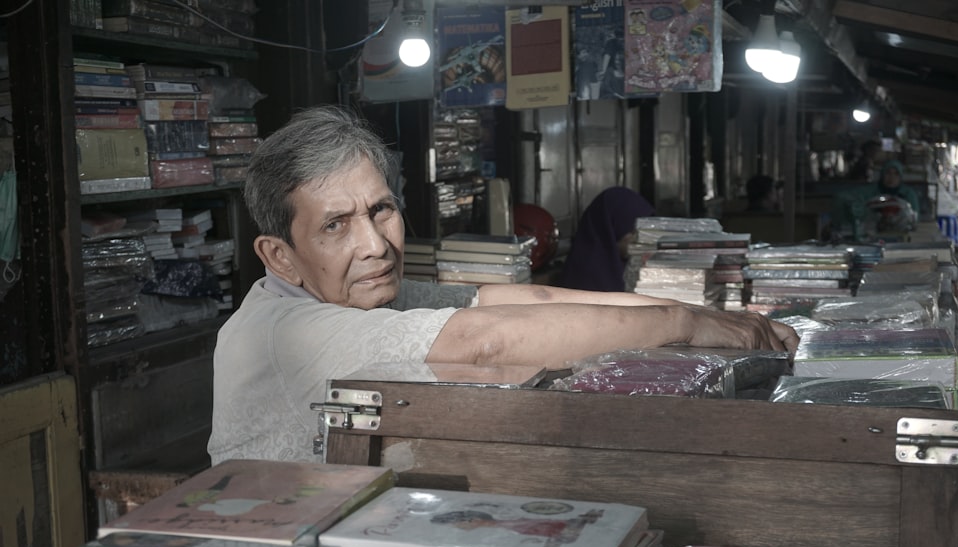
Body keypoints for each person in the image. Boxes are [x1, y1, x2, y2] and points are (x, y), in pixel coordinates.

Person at [207, 105, 798, 465]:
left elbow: (522, 298)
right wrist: (687, 325)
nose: (376, 244)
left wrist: (686, 309)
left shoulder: (362, 290)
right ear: (279, 256)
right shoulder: (293, 329)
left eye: (381, 210)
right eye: (337, 225)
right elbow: (484, 341)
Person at [558, 187, 654, 292]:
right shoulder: (588, 277)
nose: (641, 242)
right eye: (634, 233)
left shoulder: (624, 263)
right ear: (612, 230)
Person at [832, 159, 920, 241]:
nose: (891, 177)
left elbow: (914, 219)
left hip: (900, 236)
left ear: (901, 176)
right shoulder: (872, 191)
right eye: (888, 173)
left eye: (896, 174)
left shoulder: (908, 194)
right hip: (872, 237)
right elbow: (843, 196)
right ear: (882, 175)